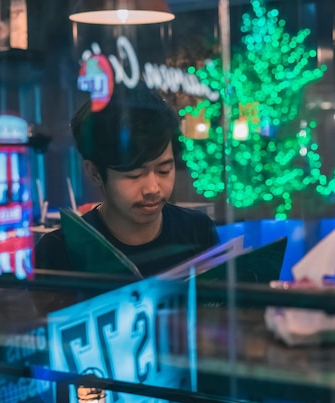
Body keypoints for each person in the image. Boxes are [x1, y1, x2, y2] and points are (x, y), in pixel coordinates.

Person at [35, 85, 219, 276]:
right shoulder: (59, 252)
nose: (153, 188)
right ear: (95, 173)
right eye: (134, 175)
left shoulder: (197, 230)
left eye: (164, 170)